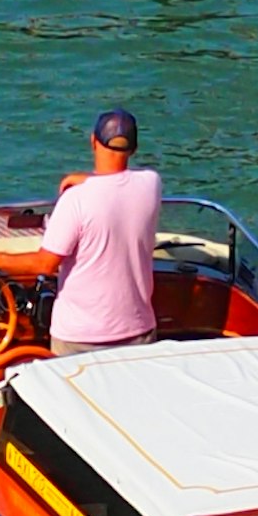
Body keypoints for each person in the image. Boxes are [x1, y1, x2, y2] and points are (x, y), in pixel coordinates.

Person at [39, 109, 166, 351]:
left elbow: (45, 264)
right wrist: (88, 179)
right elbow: (119, 183)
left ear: (93, 141)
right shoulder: (151, 184)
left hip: (79, 339)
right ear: (134, 148)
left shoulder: (75, 199)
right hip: (138, 332)